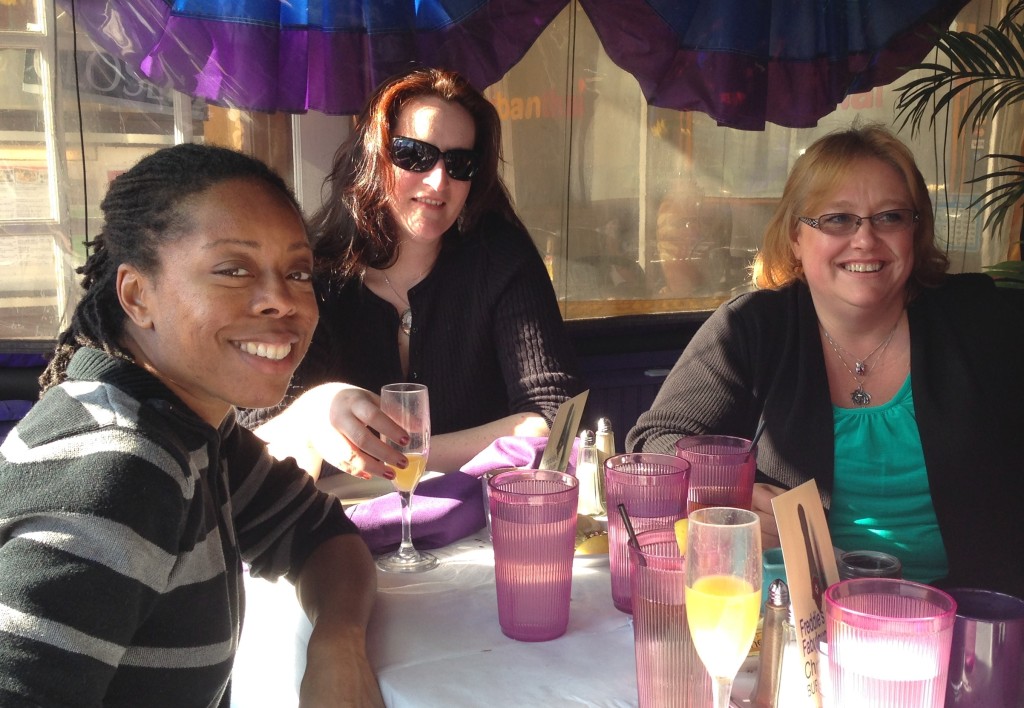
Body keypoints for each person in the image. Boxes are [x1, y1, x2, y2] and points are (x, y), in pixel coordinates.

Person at [0, 144, 384, 707]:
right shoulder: (119, 468)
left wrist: (338, 643)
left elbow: (318, 532)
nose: (281, 301)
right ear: (137, 296)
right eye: (233, 270)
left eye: (298, 272)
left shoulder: (194, 430)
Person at [627, 125, 1024, 598]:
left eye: (891, 217)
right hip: (799, 615)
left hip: (968, 615)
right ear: (796, 236)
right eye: (837, 219)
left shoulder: (981, 320)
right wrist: (732, 493)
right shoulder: (754, 328)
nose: (865, 240)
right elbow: (653, 444)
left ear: (915, 232)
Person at [242, 67, 583, 482]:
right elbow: (258, 434)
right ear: (374, 155)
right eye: (414, 154)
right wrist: (317, 409)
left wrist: (405, 459)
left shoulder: (501, 259)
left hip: (476, 509)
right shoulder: (316, 277)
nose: (439, 181)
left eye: (460, 163)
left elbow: (555, 418)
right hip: (343, 512)